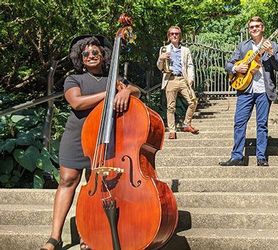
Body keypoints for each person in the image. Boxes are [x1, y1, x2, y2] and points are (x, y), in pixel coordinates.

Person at [41, 35, 140, 250]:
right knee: (67, 180)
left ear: (104, 56)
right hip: (77, 136)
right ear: (81, 58)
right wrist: (110, 92)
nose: (91, 56)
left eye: (96, 52)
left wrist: (127, 90)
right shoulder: (74, 79)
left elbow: (138, 91)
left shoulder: (115, 78)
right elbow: (76, 102)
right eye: (86, 53)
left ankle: (88, 234)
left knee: (95, 185)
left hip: (105, 139)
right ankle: (55, 237)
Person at [219, 16, 278, 167]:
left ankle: (261, 157)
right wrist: (236, 68)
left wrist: (271, 53)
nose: (254, 29)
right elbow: (228, 64)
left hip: (264, 91)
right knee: (239, 122)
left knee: (262, 124)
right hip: (245, 90)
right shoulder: (243, 46)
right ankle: (237, 157)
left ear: (263, 28)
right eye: (251, 27)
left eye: (257, 26)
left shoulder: (272, 45)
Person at [157, 26, 199, 139]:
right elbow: (160, 67)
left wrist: (191, 78)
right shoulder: (164, 49)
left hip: (183, 79)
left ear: (180, 36)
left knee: (193, 101)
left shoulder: (186, 50)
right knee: (171, 107)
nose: (174, 35)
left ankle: (186, 124)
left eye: (176, 34)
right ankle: (172, 130)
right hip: (170, 79)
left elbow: (190, 65)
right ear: (168, 36)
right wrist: (161, 59)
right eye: (172, 34)